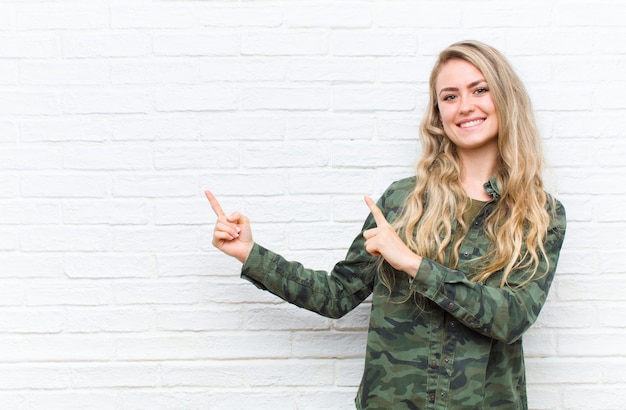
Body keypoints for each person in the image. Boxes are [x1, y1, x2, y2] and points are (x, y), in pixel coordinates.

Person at [205, 40, 567, 409]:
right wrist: (249, 253)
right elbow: (337, 295)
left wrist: (413, 263)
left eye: (480, 89)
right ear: (438, 113)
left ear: (505, 98)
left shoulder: (540, 214)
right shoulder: (401, 202)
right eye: (450, 96)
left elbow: (512, 317)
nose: (466, 106)